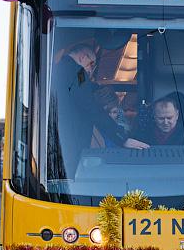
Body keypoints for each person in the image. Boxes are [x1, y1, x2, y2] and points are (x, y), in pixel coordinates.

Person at [53, 43, 148, 172]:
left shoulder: (57, 69)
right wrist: (120, 137)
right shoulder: (78, 71)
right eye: (91, 64)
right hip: (72, 144)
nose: (91, 70)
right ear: (83, 57)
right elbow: (89, 106)